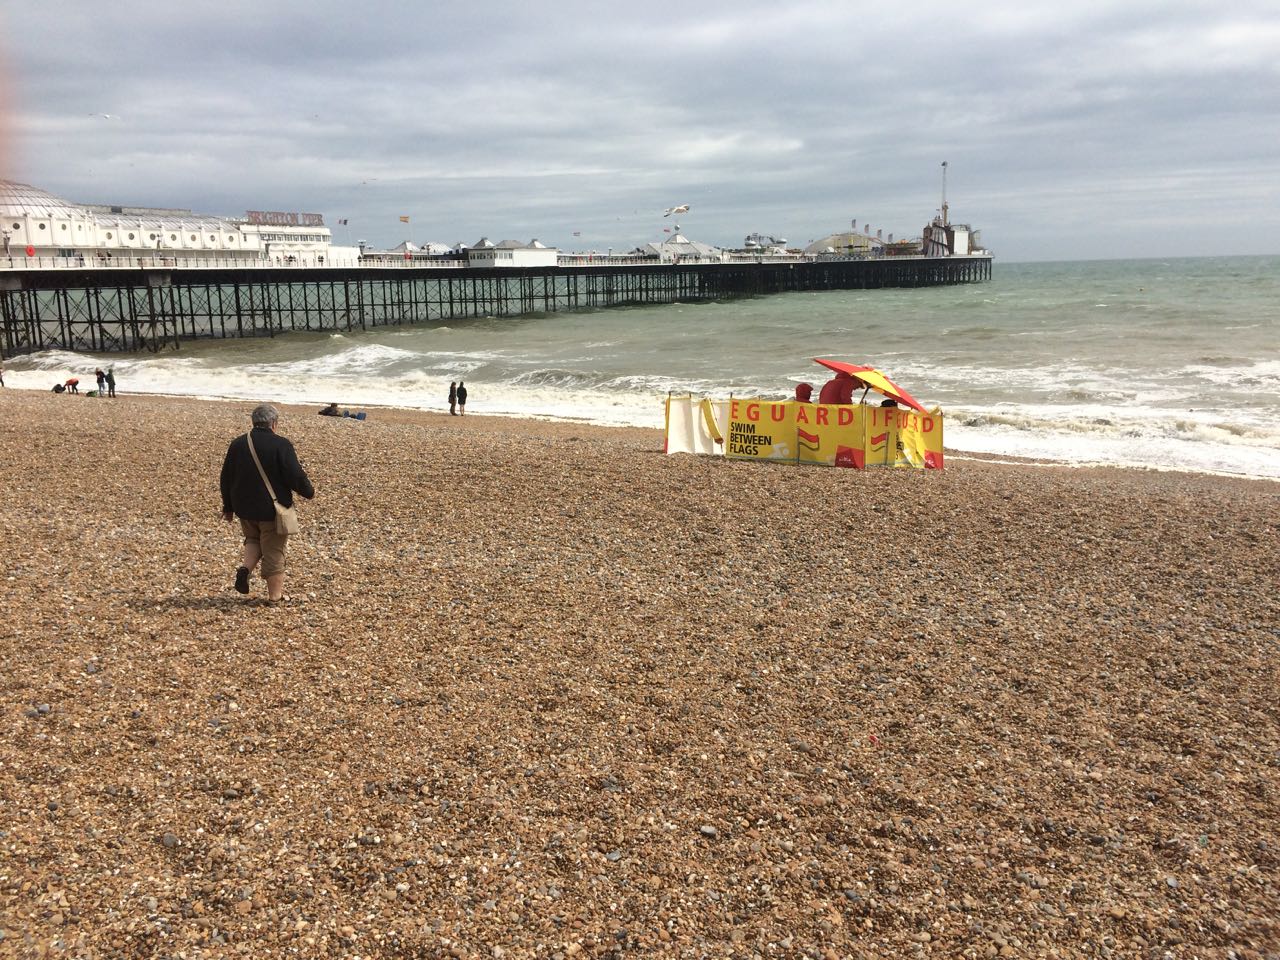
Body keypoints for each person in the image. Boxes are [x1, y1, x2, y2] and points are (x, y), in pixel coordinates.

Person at [220, 403, 315, 603]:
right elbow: (294, 475)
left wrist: (228, 507)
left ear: (254, 422)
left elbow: (226, 477)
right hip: (271, 509)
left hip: (243, 508)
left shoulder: (238, 443)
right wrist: (308, 492)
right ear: (273, 423)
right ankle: (274, 597)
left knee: (253, 539)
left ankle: (245, 570)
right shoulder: (281, 445)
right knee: (274, 550)